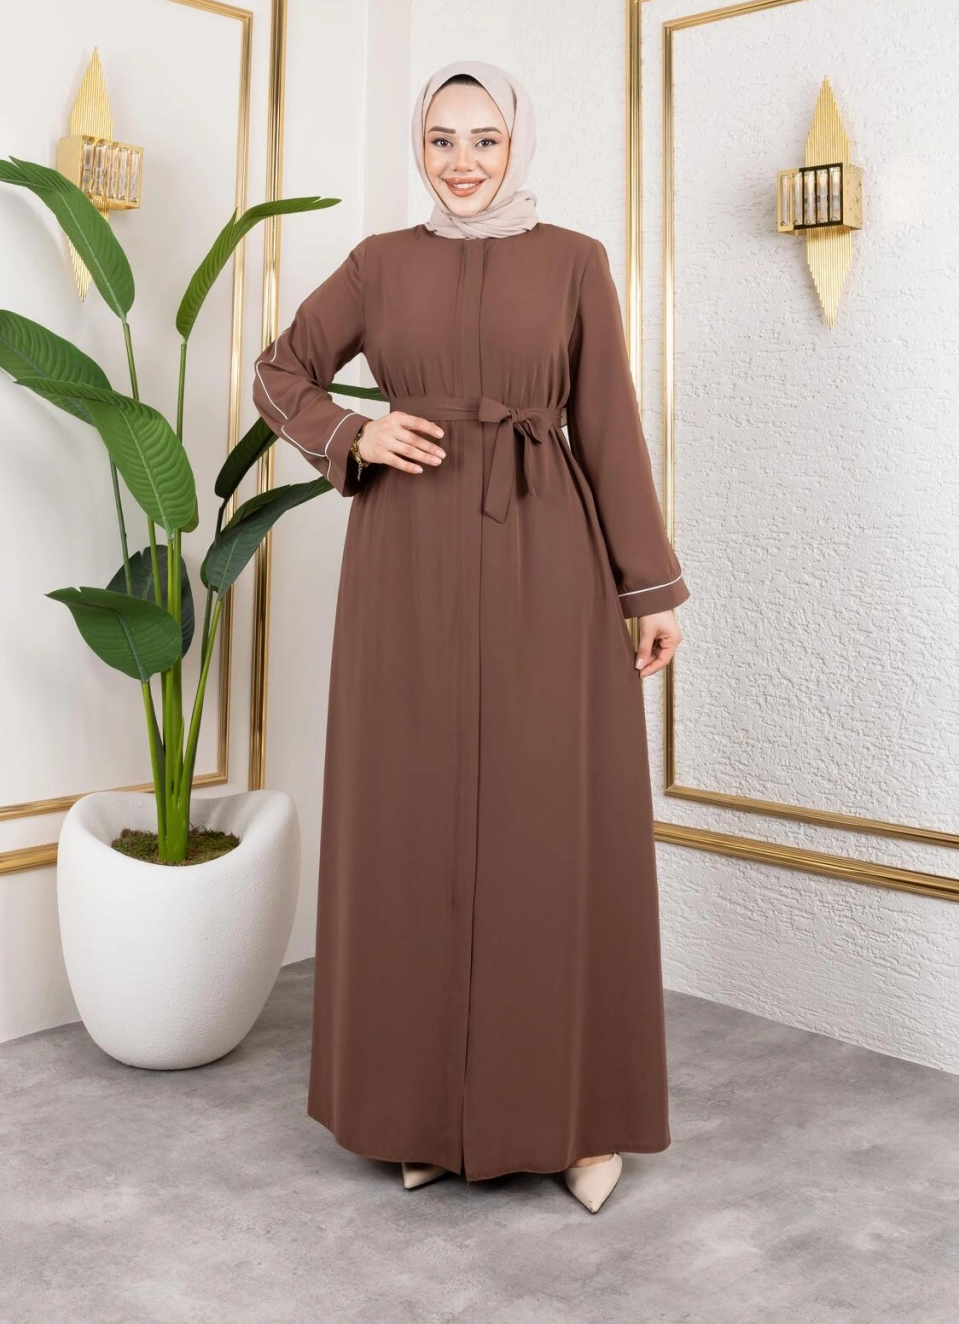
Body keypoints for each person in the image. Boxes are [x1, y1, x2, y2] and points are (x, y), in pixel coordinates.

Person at [251, 59, 690, 1215]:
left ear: (516, 144)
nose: (461, 161)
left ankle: (579, 1119)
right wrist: (353, 432)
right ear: (419, 145)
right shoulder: (378, 263)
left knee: (555, 827)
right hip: (408, 563)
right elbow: (279, 371)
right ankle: (420, 1115)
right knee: (414, 829)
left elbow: (609, 425)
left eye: (484, 139)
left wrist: (649, 588)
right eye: (441, 139)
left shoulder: (576, 261)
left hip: (550, 555)